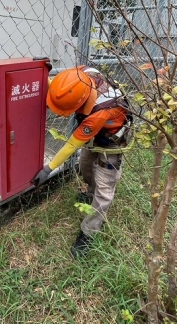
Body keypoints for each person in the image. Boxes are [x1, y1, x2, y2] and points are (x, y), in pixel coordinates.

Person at [32, 66, 131, 258]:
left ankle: (89, 232)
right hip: (95, 137)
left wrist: (48, 168)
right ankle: (90, 193)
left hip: (112, 142)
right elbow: (62, 90)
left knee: (105, 188)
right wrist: (43, 73)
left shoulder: (99, 112)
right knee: (85, 166)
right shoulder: (83, 73)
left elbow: (70, 145)